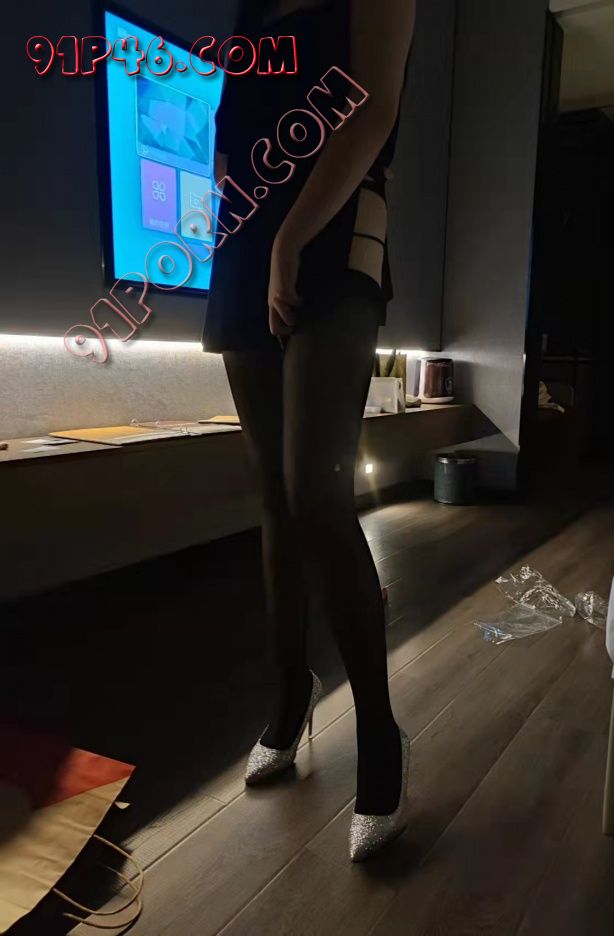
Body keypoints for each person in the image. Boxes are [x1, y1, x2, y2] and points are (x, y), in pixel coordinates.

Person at [203, 0, 415, 862]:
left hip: (332, 231)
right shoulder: (248, 7)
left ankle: (381, 734)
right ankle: (291, 699)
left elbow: (372, 109)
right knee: (274, 494)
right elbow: (230, 132)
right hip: (245, 245)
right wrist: (235, 213)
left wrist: (288, 241)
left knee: (319, 495)